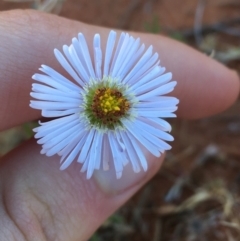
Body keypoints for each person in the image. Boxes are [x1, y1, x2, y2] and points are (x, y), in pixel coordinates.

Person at [0, 9, 239, 241]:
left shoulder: (124, 104)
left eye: (114, 104)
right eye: (108, 103)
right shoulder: (81, 103)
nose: (110, 104)